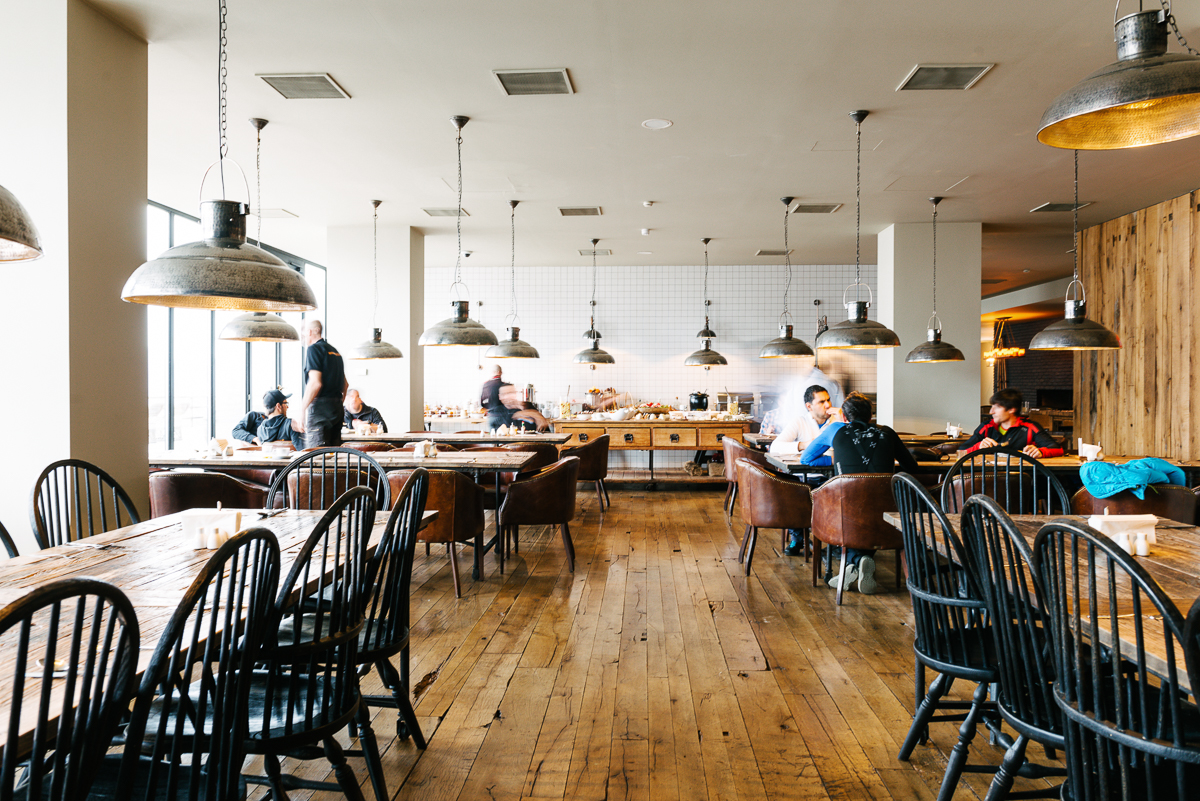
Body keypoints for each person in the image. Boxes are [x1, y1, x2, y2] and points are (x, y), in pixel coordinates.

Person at [826, 392, 920, 595]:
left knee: (854, 513)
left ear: (844, 418)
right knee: (874, 514)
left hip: (846, 509)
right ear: (871, 416)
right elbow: (911, 466)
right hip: (886, 509)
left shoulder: (838, 435)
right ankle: (860, 561)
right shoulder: (887, 432)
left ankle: (855, 562)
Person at [962, 388, 1064, 458]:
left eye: (996, 407)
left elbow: (1058, 449)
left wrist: (1040, 452)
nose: (991, 412)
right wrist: (978, 447)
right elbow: (961, 452)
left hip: (1022, 479)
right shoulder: (986, 427)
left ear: (1011, 409)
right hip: (987, 477)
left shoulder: (1030, 427)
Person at [297, 319, 347, 448]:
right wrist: (338, 404)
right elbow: (345, 385)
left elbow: (315, 383)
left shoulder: (313, 349)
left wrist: (302, 410)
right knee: (334, 456)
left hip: (320, 410)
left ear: (309, 332)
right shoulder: (336, 352)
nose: (303, 337)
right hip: (337, 409)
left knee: (317, 458)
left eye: (303, 334)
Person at [479, 364, 549, 432]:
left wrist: (538, 416)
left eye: (511, 393)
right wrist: (532, 414)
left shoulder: (527, 406)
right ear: (500, 397)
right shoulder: (496, 413)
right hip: (507, 443)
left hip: (533, 442)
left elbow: (544, 426)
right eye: (505, 394)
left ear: (515, 393)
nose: (508, 396)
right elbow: (500, 419)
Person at [770, 385, 834, 455]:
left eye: (828, 400)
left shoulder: (837, 421)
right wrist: (803, 445)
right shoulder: (800, 422)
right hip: (806, 465)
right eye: (821, 402)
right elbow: (774, 448)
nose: (828, 405)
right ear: (809, 406)